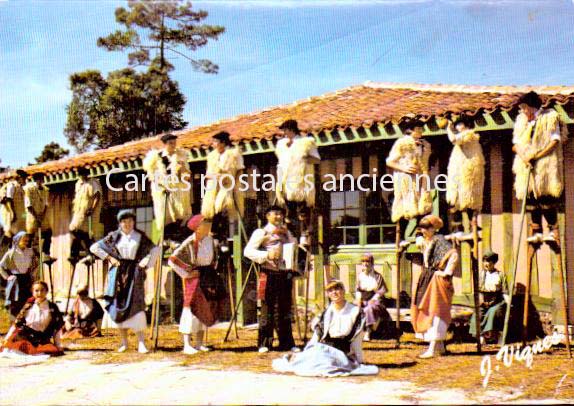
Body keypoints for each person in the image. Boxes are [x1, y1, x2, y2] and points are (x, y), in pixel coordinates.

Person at [272, 280, 378, 377]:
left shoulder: (355, 312)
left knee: (326, 364)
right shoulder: (327, 312)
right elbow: (317, 335)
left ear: (343, 291)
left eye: (337, 289)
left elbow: (357, 339)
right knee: (310, 358)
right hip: (324, 347)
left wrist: (359, 359)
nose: (334, 293)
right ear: (328, 294)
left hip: (341, 350)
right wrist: (307, 351)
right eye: (330, 291)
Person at [90, 209, 158, 353]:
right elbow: (94, 248)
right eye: (124, 221)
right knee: (118, 307)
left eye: (130, 221)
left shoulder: (140, 237)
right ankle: (124, 342)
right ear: (120, 223)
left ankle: (141, 343)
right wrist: (110, 258)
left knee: (136, 306)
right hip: (118, 275)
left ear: (134, 222)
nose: (127, 224)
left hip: (134, 274)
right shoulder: (113, 237)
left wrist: (144, 263)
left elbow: (154, 250)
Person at [512, 91, 566, 244]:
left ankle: (552, 229)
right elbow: (515, 145)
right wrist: (525, 157)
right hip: (526, 164)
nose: (523, 111)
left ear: (532, 106)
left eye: (525, 108)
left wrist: (537, 155)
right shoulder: (521, 121)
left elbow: (555, 141)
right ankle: (536, 230)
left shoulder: (549, 117)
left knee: (545, 196)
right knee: (530, 196)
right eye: (521, 108)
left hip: (545, 164)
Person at [244, 205, 299, 353]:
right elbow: (248, 251)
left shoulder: (286, 232)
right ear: (267, 216)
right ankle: (264, 343)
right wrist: (266, 255)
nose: (279, 217)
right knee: (267, 308)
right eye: (275, 214)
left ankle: (287, 343)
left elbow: (294, 247)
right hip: (269, 273)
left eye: (281, 214)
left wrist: (289, 238)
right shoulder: (261, 232)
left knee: (285, 308)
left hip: (285, 273)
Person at [169, 215, 225, 355]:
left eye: (208, 224)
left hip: (208, 276)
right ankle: (187, 344)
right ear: (197, 228)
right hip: (194, 278)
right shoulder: (189, 242)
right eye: (205, 225)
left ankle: (199, 343)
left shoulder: (210, 240)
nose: (208, 227)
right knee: (191, 309)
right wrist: (186, 274)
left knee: (205, 308)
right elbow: (173, 260)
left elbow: (214, 258)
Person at [411, 215, 458, 358]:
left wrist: (446, 272)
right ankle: (440, 347)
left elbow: (453, 254)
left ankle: (432, 348)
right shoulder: (427, 241)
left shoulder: (439, 240)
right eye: (422, 229)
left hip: (438, 281)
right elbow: (422, 246)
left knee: (437, 311)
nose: (424, 231)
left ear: (433, 229)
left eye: (427, 228)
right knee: (426, 309)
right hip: (427, 279)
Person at [385, 119, 433, 239]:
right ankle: (400, 236)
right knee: (405, 205)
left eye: (421, 129)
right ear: (410, 130)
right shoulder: (402, 143)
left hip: (420, 178)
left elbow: (426, 161)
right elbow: (390, 161)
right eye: (418, 129)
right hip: (406, 178)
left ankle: (420, 233)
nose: (421, 131)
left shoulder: (425, 145)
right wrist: (403, 168)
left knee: (422, 204)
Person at [142, 133, 192, 242]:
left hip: (177, 191)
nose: (173, 145)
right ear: (165, 144)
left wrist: (182, 167)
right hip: (163, 191)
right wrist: (162, 184)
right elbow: (152, 176)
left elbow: (187, 176)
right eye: (170, 143)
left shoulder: (180, 156)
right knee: (164, 217)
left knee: (179, 215)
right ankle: (165, 240)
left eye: (174, 143)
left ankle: (176, 239)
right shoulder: (156, 158)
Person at [275, 119, 320, 236]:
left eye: (285, 130)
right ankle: (290, 236)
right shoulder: (282, 146)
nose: (284, 133)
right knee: (288, 212)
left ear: (291, 130)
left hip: (300, 180)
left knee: (303, 210)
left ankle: (305, 236)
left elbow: (316, 159)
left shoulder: (305, 143)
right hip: (286, 181)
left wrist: (302, 159)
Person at [201, 131, 244, 241]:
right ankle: (215, 236)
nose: (213, 144)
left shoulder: (234, 154)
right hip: (214, 187)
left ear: (223, 143)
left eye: (215, 142)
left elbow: (240, 170)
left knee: (223, 207)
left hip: (228, 186)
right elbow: (208, 174)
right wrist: (215, 176)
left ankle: (227, 239)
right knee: (212, 210)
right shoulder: (212, 156)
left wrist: (234, 183)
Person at [446, 115, 485, 234]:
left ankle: (471, 225)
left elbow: (453, 140)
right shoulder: (465, 135)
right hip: (459, 171)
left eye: (459, 124)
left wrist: (448, 128)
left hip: (466, 172)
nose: (457, 127)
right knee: (457, 198)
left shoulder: (469, 134)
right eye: (456, 124)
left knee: (467, 197)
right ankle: (459, 227)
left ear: (465, 125)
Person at [1, 281, 64, 356]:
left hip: (41, 339)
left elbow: (56, 328)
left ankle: (35, 350)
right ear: (32, 292)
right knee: (9, 346)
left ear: (46, 291)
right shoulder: (28, 306)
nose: (39, 293)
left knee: (52, 349)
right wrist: (6, 340)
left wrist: (58, 345)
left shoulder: (52, 307)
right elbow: (17, 324)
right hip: (26, 338)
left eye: (42, 290)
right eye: (36, 291)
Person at [469, 251, 509, 344]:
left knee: (493, 312)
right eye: (485, 261)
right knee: (478, 313)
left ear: (494, 263)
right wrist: (481, 300)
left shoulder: (500, 275)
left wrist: (507, 302)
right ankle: (482, 337)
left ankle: (499, 336)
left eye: (489, 262)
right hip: (484, 300)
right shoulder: (482, 274)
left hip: (497, 301)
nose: (487, 264)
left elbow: (505, 291)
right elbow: (478, 290)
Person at [0, 232, 37, 317]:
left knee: (28, 301)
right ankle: (15, 322)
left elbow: (35, 264)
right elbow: (1, 266)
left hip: (27, 279)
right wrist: (7, 277)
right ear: (18, 240)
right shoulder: (11, 253)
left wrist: (32, 273)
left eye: (27, 240)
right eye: (24, 240)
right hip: (15, 280)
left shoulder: (30, 252)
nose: (26, 242)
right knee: (15, 301)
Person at [69, 167, 102, 260]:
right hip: (79, 211)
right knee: (75, 230)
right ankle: (83, 252)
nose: (82, 176)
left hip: (88, 211)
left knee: (82, 232)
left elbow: (97, 196)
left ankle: (80, 253)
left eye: (83, 174)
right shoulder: (78, 184)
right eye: (80, 175)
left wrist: (92, 208)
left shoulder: (93, 183)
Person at [355, 253, 389, 341]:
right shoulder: (360, 276)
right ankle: (356, 332)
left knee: (369, 309)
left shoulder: (377, 276)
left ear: (372, 263)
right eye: (363, 262)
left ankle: (368, 332)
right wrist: (358, 301)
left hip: (376, 299)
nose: (365, 264)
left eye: (367, 261)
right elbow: (358, 290)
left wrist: (373, 299)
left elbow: (382, 291)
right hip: (363, 298)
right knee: (354, 308)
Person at [24, 172, 53, 259]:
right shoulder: (29, 189)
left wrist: (42, 215)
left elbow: (46, 204)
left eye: (42, 179)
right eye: (39, 179)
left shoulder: (45, 190)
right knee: (30, 235)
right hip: (32, 215)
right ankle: (26, 253)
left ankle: (45, 252)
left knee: (48, 232)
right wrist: (36, 217)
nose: (41, 181)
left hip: (42, 215)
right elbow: (28, 205)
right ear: (36, 180)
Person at [0, 169, 27, 240]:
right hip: (11, 215)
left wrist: (24, 216)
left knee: (17, 236)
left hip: (19, 216)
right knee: (8, 235)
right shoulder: (11, 185)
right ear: (20, 177)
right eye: (24, 178)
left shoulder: (21, 188)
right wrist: (12, 213)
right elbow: (9, 199)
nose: (25, 180)